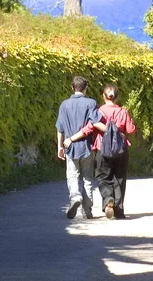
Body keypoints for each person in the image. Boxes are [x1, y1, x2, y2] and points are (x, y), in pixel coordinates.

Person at [56, 76, 106, 219]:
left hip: (70, 146)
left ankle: (75, 197)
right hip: (86, 146)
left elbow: (59, 128)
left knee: (72, 176)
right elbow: (96, 122)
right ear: (86, 88)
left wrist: (60, 147)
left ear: (73, 88)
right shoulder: (91, 103)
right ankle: (87, 210)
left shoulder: (64, 105)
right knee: (88, 179)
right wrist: (111, 130)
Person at [92, 84, 136, 219]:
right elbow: (131, 130)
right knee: (120, 178)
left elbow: (91, 127)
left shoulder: (99, 112)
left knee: (103, 177)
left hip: (102, 148)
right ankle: (119, 210)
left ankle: (108, 199)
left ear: (103, 96)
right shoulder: (123, 111)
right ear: (116, 97)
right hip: (120, 149)